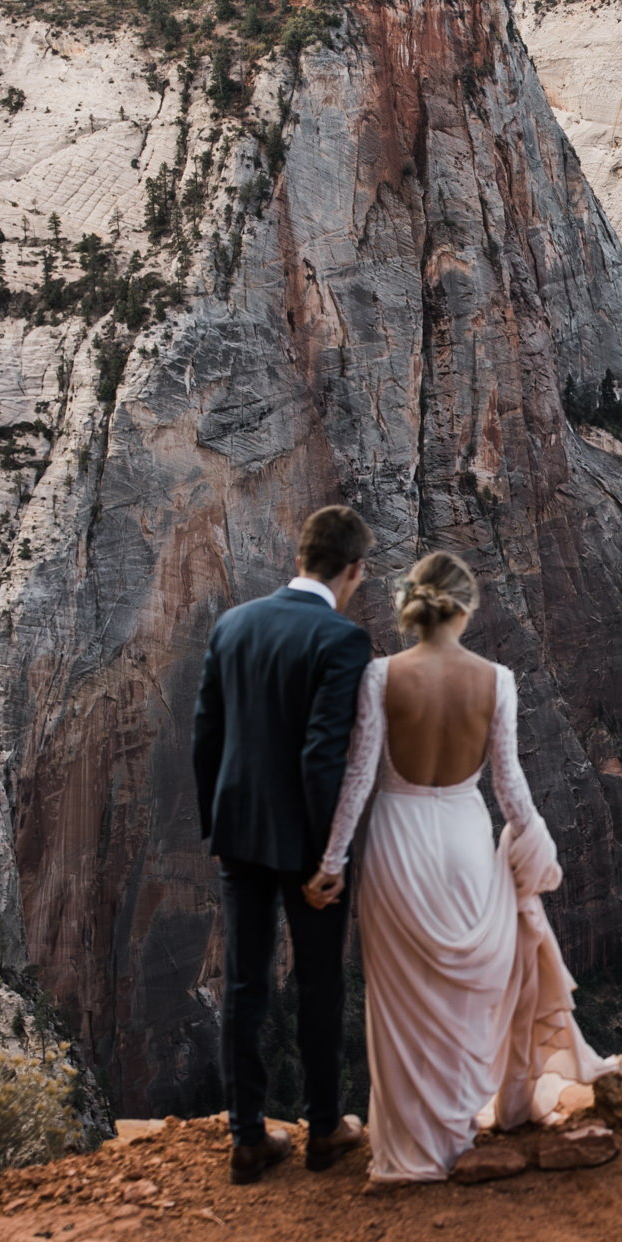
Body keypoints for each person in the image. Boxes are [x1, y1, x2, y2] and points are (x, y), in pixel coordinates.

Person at [312, 550, 616, 1183]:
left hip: (396, 842)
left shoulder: (380, 677)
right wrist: (535, 849)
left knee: (402, 1005)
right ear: (466, 609)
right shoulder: (497, 680)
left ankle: (415, 1149)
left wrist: (332, 860)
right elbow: (510, 787)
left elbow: (359, 776)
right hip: (464, 838)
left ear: (410, 610)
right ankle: (465, 1118)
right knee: (467, 994)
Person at [191, 505, 376, 1185]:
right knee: (320, 979)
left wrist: (218, 820)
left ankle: (247, 1136)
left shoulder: (232, 623)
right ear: (353, 570)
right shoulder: (342, 639)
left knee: (244, 981)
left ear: (299, 556)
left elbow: (204, 732)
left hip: (239, 830)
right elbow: (323, 753)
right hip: (305, 838)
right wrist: (331, 857)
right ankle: (324, 1126)